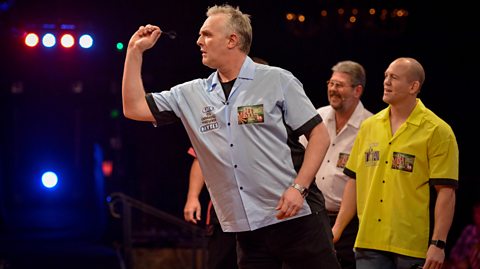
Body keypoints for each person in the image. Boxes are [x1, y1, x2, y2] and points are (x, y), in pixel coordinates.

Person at [122, 4, 340, 269]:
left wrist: (299, 187)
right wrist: (134, 52)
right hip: (247, 226)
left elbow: (319, 134)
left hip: (297, 216)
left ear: (232, 40)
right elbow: (133, 108)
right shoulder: (191, 93)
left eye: (207, 34)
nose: (198, 41)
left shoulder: (277, 79)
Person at [332, 57, 459, 269]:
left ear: (413, 86)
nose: (386, 82)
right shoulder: (369, 126)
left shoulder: (438, 130)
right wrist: (336, 229)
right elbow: (354, 181)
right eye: (385, 76)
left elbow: (446, 191)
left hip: (411, 245)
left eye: (394, 77)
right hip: (368, 242)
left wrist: (438, 243)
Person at [299, 60, 372, 269]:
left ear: (357, 90)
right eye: (331, 83)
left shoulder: (370, 126)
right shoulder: (318, 117)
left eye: (339, 85)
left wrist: (338, 227)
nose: (332, 89)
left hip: (350, 224)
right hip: (311, 218)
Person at [184, 146, 238, 269]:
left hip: (263, 208)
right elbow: (201, 157)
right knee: (221, 261)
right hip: (224, 212)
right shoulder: (215, 128)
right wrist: (192, 197)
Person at [449, 200, 480, 269]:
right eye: (475, 213)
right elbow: (454, 252)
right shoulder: (469, 230)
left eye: (479, 213)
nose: (477, 216)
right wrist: (461, 261)